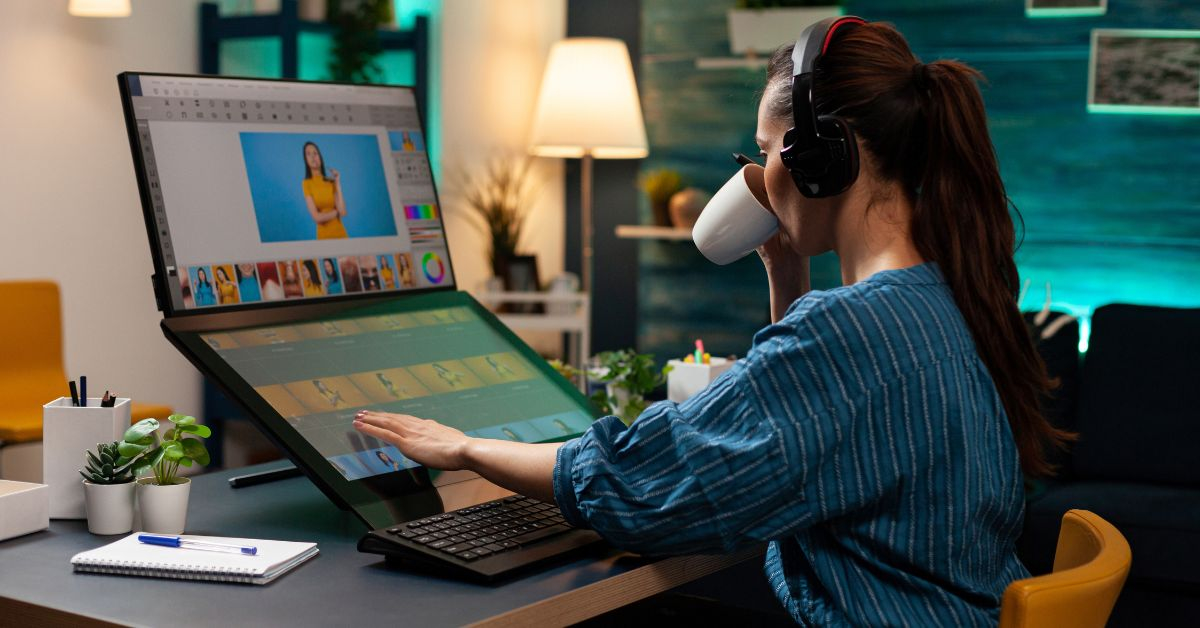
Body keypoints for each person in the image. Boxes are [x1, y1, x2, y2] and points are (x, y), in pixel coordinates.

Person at [353, 18, 1072, 626]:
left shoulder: (852, 332)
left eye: (764, 151)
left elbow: (645, 486)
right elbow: (821, 433)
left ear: (822, 157)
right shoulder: (943, 295)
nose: (760, 175)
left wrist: (468, 450)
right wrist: (786, 276)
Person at [302, 141, 348, 240]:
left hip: (340, 233)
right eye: (308, 154)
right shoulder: (306, 183)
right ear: (306, 160)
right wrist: (336, 213)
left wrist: (337, 183)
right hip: (324, 236)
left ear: (320, 157)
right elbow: (317, 218)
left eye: (315, 153)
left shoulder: (331, 181)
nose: (313, 156)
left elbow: (343, 212)